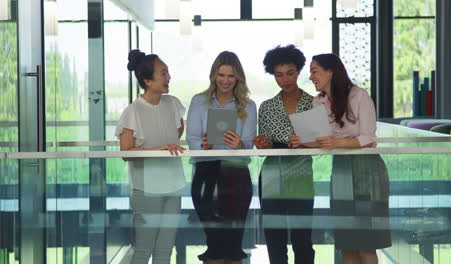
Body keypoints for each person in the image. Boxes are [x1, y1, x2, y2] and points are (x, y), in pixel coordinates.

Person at [291, 53, 391, 264]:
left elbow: (368, 138)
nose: (311, 77)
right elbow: (321, 141)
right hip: (341, 170)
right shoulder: (318, 102)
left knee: (366, 243)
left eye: (314, 71)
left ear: (330, 71)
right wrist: (301, 141)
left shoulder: (359, 96)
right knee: (347, 244)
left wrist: (338, 143)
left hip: (368, 170)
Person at [186, 51, 257, 264]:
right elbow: (192, 139)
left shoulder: (249, 105)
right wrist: (203, 145)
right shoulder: (199, 101)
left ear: (238, 78)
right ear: (214, 76)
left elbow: (249, 141)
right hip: (206, 172)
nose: (225, 81)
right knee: (215, 243)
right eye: (221, 75)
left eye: (231, 76)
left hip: (236, 173)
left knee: (234, 244)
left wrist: (240, 145)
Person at [116, 49, 186, 264]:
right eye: (163, 73)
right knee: (144, 249)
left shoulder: (173, 103)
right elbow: (126, 153)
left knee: (166, 249)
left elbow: (177, 132)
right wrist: (158, 150)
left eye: (168, 72)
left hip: (173, 184)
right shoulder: (132, 111)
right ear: (147, 80)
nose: (168, 77)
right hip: (146, 189)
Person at [253, 44, 315, 264]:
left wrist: (305, 144)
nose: (285, 80)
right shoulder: (267, 107)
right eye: (279, 75)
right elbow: (266, 144)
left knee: (302, 239)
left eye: (290, 73)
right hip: (271, 175)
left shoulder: (313, 103)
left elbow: (321, 144)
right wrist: (262, 143)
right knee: (274, 238)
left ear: (298, 71)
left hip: (301, 174)